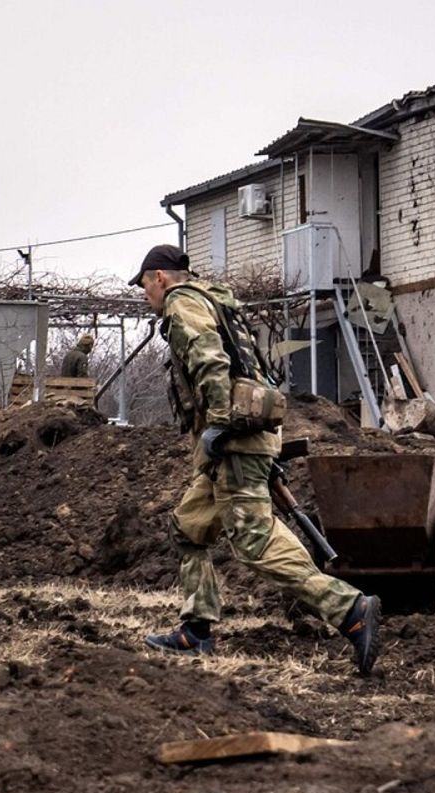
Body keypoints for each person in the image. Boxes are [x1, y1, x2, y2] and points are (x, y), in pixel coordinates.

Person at [128, 244, 381, 674]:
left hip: (233, 440)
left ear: (160, 278)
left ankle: (349, 610)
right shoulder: (215, 299)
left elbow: (209, 357)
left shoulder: (182, 302)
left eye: (145, 286)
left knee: (255, 542)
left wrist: (221, 424)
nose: (146, 295)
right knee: (189, 528)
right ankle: (195, 632)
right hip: (238, 439)